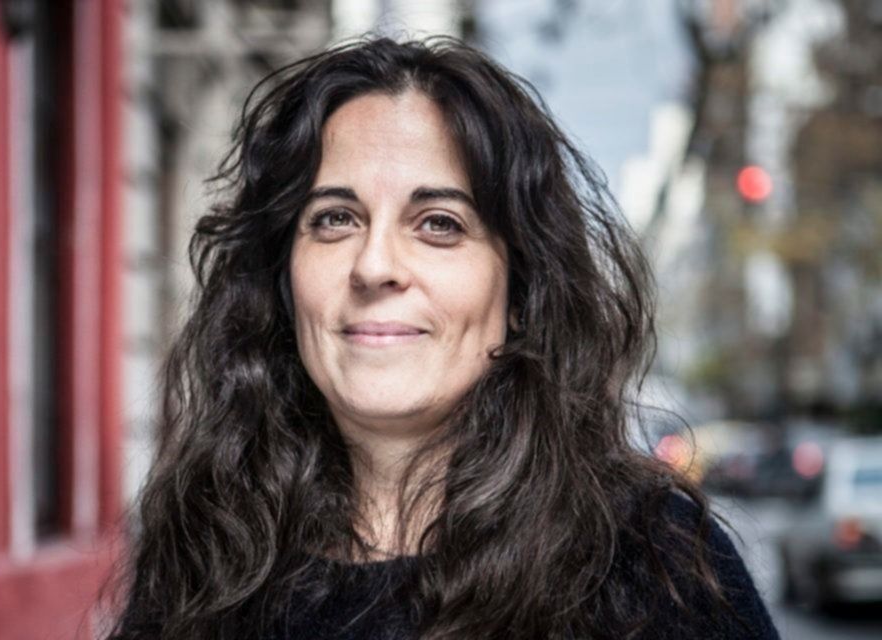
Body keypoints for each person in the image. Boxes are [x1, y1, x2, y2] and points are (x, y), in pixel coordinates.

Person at [106, 37, 780, 640]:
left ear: (521, 289)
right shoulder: (208, 554)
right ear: (282, 280)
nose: (374, 266)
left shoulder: (656, 568)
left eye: (439, 224)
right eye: (335, 218)